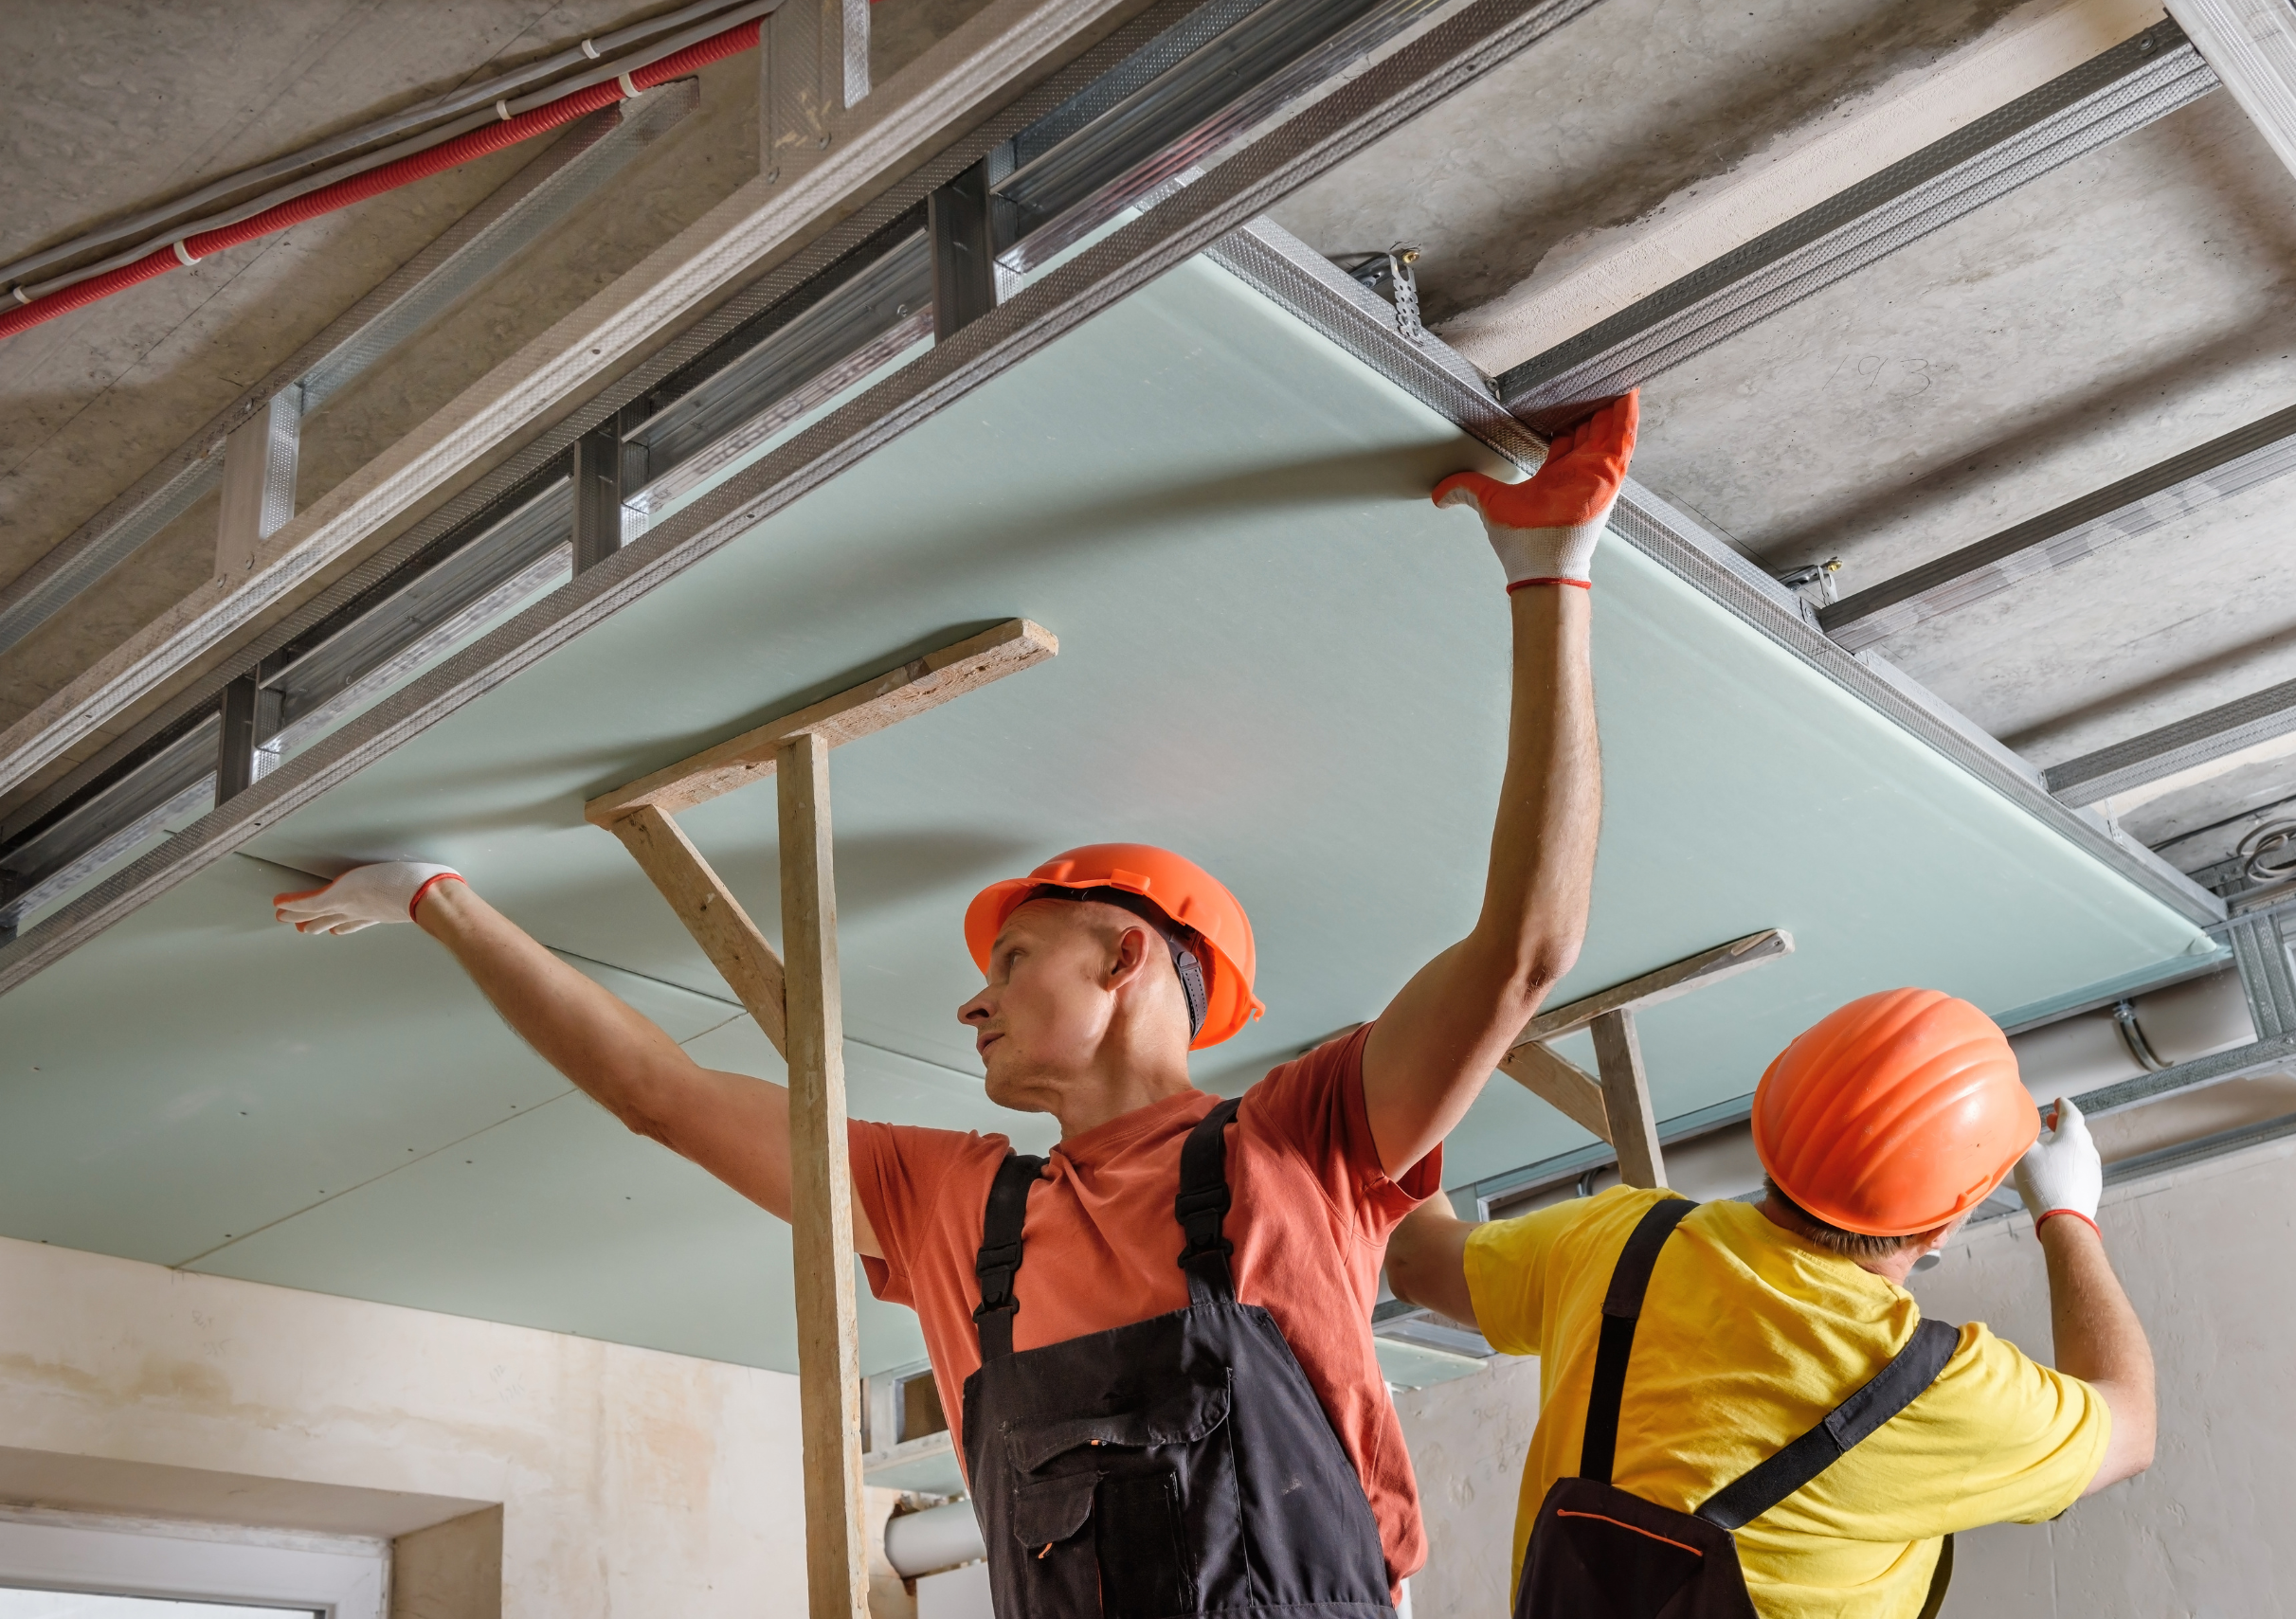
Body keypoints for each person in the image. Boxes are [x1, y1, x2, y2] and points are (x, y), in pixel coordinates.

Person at [270, 398, 1641, 1617]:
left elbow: (1527, 947)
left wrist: (1549, 571)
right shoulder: (952, 1210)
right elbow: (662, 1096)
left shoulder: (1304, 1139)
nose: (972, 1004)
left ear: (1123, 957)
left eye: (1014, 961)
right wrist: (437, 900)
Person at [1382, 987, 2157, 1619]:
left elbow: (1415, 1259)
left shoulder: (1622, 1240)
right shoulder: (1937, 1388)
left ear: (1776, 1121)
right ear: (1947, 1218)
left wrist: (1393, 1077)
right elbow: (2130, 1428)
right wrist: (2067, 1216)